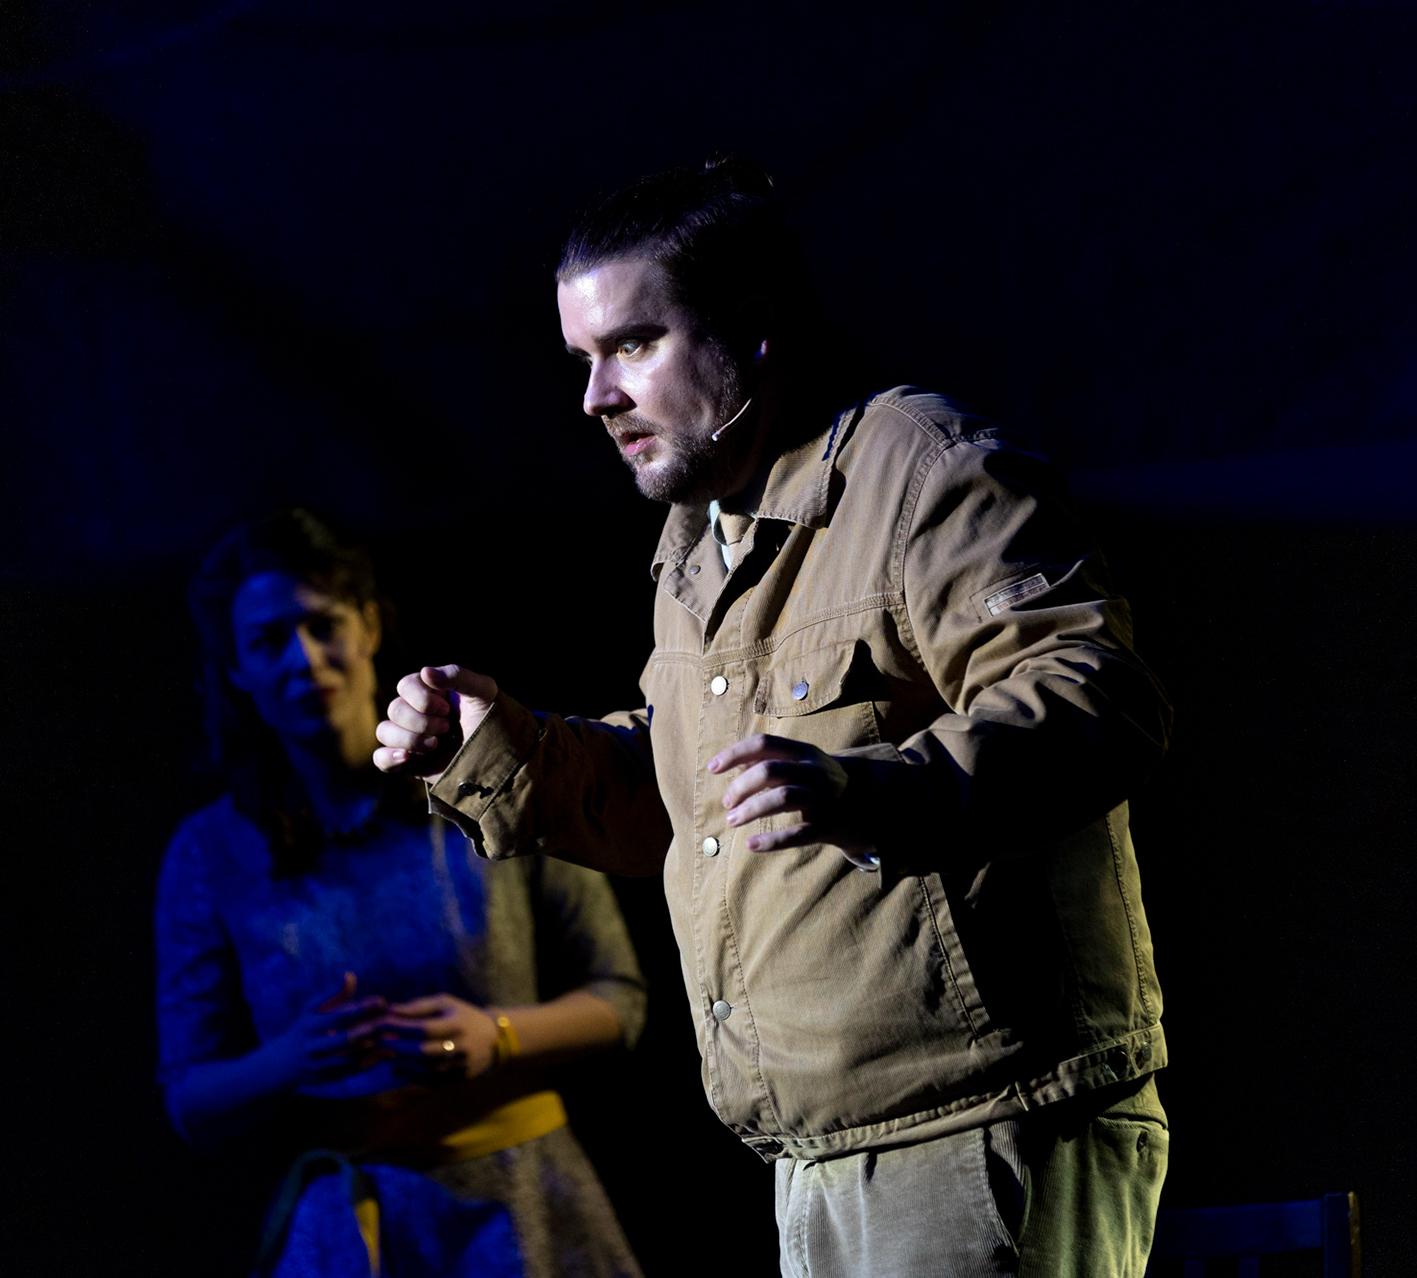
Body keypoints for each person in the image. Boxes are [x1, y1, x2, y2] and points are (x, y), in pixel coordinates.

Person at [372, 158, 1175, 1277]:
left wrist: (879, 789)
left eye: (632, 345)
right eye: (583, 359)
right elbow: (695, 799)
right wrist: (503, 751)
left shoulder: (921, 468)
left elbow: (1095, 693)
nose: (596, 397)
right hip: (817, 1152)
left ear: (753, 332)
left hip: (984, 1123)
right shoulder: (702, 541)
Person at [156, 509, 646, 1278]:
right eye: (268, 641)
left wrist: (498, 1035)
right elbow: (191, 1099)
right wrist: (290, 1058)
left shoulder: (483, 786)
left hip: (526, 1211)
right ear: (237, 670)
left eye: (323, 625)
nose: (303, 659)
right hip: (348, 1236)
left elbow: (621, 1000)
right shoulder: (211, 853)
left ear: (370, 625)